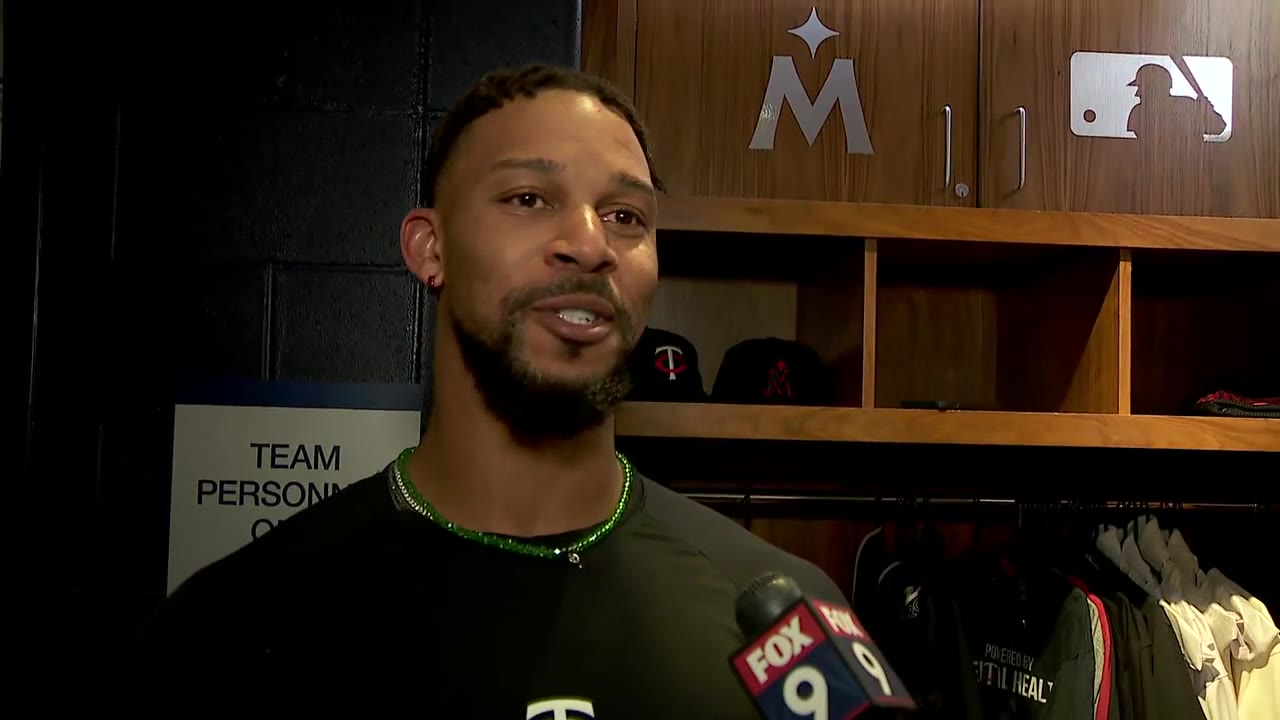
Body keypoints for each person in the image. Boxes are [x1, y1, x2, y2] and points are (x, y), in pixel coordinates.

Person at [124, 64, 845, 714]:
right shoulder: (235, 625)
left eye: (627, 216)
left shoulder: (790, 620)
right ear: (429, 249)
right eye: (530, 198)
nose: (590, 243)